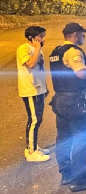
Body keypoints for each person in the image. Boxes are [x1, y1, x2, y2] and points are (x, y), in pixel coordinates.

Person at [49, 22, 86, 192]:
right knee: (82, 138)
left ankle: (67, 175)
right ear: (75, 35)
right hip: (74, 101)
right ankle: (79, 180)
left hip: (60, 100)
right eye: (82, 33)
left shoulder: (56, 52)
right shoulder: (73, 51)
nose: (84, 36)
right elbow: (81, 74)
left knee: (64, 138)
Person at [16, 25, 51, 162]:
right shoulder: (23, 48)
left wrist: (45, 87)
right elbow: (30, 64)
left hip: (39, 89)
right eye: (41, 36)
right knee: (34, 119)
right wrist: (37, 48)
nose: (43, 39)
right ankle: (31, 152)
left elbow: (39, 70)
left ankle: (34, 146)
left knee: (38, 119)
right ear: (32, 37)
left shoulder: (38, 50)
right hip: (30, 89)